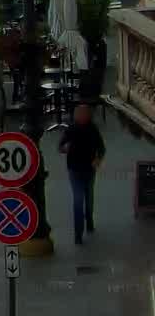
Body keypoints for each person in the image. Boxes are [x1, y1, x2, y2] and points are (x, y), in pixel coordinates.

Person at [58, 103, 106, 243]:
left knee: (89, 197)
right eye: (79, 114)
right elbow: (60, 146)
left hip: (89, 169)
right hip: (74, 169)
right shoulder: (71, 129)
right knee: (78, 200)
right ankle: (78, 233)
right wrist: (64, 148)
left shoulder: (93, 129)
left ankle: (89, 219)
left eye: (85, 114)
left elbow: (101, 148)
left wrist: (97, 159)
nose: (82, 117)